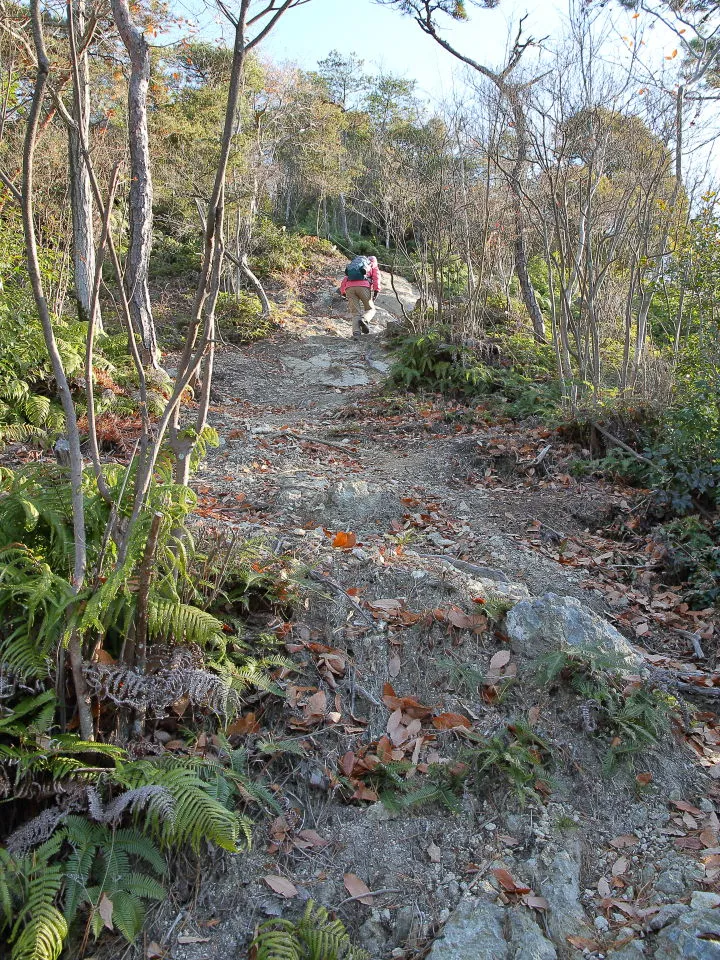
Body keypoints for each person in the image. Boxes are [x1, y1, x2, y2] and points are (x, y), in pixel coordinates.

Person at [339, 255, 380, 340]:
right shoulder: (372, 266)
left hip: (349, 288)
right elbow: (376, 278)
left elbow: (345, 279)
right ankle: (364, 320)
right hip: (363, 286)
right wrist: (376, 290)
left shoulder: (356, 266)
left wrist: (343, 292)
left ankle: (356, 334)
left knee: (355, 313)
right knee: (371, 309)